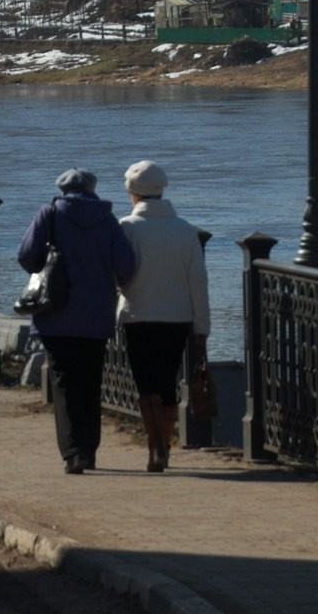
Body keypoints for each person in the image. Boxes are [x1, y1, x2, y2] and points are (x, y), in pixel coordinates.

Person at [15, 167, 139, 475]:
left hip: (55, 312)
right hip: (96, 315)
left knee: (64, 381)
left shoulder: (49, 214)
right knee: (90, 381)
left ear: (62, 189)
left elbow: (26, 255)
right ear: (92, 189)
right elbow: (126, 264)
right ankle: (89, 449)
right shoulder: (107, 220)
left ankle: (74, 452)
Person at [117, 160, 212, 472]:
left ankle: (154, 443)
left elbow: (117, 273)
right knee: (168, 380)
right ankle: (165, 443)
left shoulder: (126, 228)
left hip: (137, 315)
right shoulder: (185, 230)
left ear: (133, 193)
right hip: (177, 318)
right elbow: (198, 282)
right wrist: (201, 327)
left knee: (146, 383)